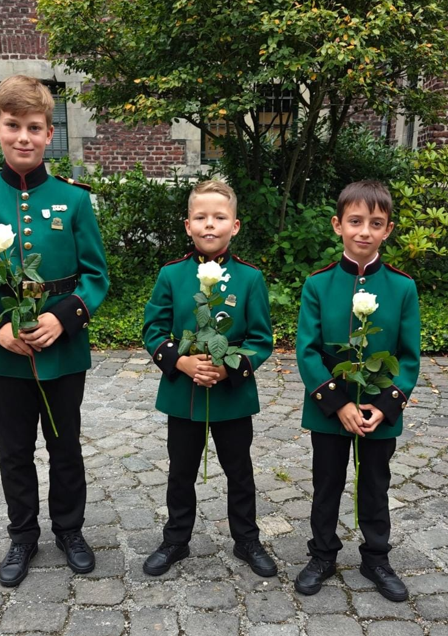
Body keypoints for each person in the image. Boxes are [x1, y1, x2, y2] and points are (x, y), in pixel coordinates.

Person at [0, 75, 109, 587]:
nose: (23, 137)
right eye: (13, 126)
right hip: (3, 353)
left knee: (66, 445)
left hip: (62, 349)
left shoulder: (73, 199)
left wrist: (64, 318)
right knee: (14, 450)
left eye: (34, 127)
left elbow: (96, 276)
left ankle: (70, 531)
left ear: (49, 133)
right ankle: (22, 536)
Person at [142, 180, 277, 577]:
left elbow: (260, 340)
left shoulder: (250, 279)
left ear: (234, 226)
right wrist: (182, 363)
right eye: (201, 217)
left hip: (231, 393)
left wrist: (228, 367)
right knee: (180, 471)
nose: (209, 224)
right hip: (183, 392)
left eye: (219, 217)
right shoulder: (171, 275)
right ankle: (175, 539)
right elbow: (153, 330)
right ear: (188, 226)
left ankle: (247, 539)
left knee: (240, 471)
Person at [294, 180, 420, 602]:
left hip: (378, 411)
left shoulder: (402, 288)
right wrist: (339, 404)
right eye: (355, 221)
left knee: (375, 485)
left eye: (375, 223)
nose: (364, 231)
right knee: (326, 483)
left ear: (388, 230)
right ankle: (322, 554)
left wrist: (385, 406)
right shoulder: (318, 285)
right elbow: (307, 351)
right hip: (330, 410)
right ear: (338, 225)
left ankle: (376, 558)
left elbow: (409, 356)